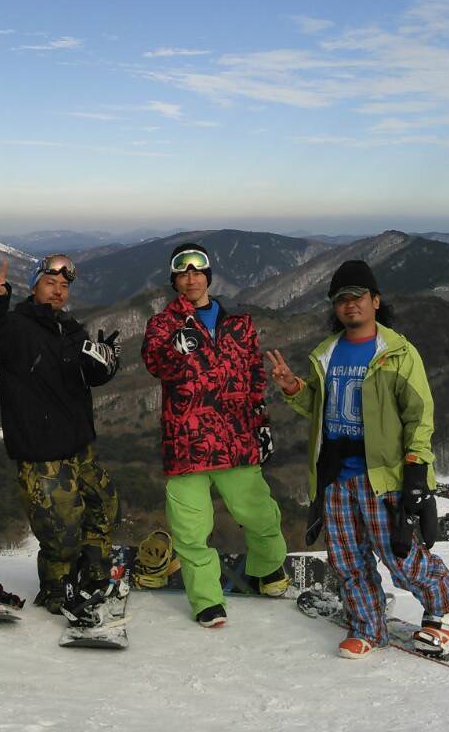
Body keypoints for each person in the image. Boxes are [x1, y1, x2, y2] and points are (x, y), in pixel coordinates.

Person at [266, 260, 449, 660]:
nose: (349, 305)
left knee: (400, 555)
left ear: (375, 301)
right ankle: (367, 627)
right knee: (347, 559)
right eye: (341, 299)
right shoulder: (326, 354)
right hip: (337, 476)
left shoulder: (397, 353)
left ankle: (446, 611)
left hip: (383, 475)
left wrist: (415, 469)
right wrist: (293, 389)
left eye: (357, 296)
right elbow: (320, 408)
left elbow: (419, 415)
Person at [142, 242, 289, 628]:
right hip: (187, 442)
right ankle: (207, 598)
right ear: (175, 281)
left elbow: (254, 378)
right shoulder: (163, 325)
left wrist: (262, 424)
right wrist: (176, 349)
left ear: (208, 276)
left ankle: (267, 569)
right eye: (183, 272)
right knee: (191, 529)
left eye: (197, 271)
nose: (191, 278)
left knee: (260, 514)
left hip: (237, 438)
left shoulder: (239, 324)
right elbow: (155, 363)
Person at [0, 254, 123, 622]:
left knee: (103, 507)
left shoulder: (71, 330)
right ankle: (58, 589)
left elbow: (85, 378)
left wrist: (105, 367)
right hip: (43, 452)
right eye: (49, 283)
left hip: (79, 445)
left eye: (64, 286)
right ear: (34, 286)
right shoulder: (17, 327)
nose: (58, 290)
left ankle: (94, 575)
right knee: (61, 532)